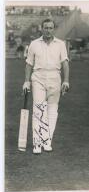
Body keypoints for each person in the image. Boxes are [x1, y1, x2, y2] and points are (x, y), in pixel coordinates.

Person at [22, 18, 69, 154]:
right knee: (38, 110)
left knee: (52, 111)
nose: (48, 30)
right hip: (38, 78)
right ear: (41, 29)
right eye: (46, 28)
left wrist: (66, 81)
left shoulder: (60, 44)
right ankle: (37, 143)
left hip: (55, 78)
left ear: (54, 29)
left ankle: (47, 140)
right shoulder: (34, 44)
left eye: (50, 28)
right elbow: (29, 64)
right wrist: (27, 81)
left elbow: (65, 64)